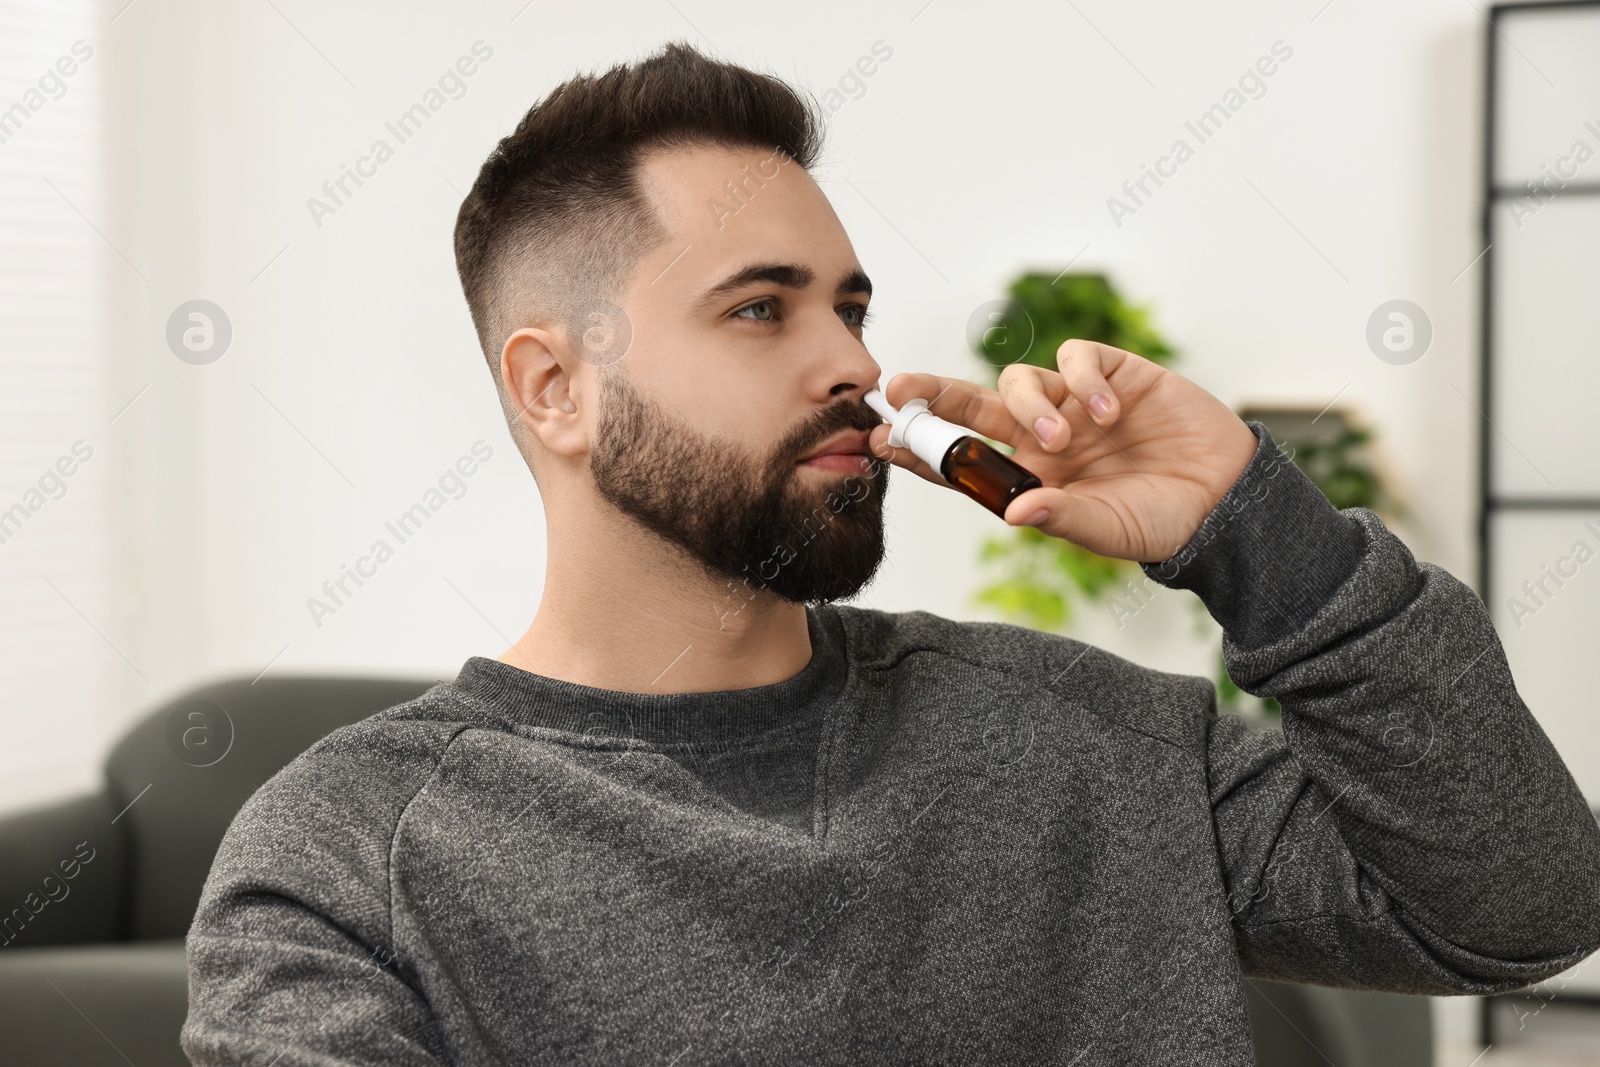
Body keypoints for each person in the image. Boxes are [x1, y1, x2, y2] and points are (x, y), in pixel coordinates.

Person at [180, 41, 1600, 1066]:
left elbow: (1521, 913)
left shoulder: (1079, 739)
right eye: (760, 311)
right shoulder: (348, 864)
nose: (855, 363)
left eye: (851, 307)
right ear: (556, 387)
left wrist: (1254, 529)